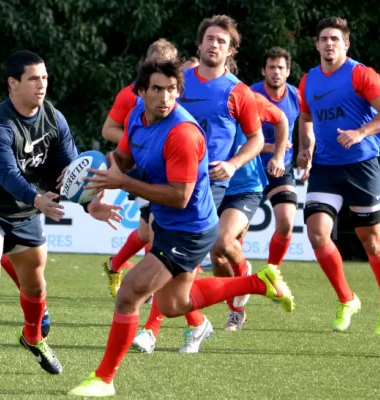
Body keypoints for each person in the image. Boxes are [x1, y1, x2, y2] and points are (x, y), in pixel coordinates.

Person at [67, 58, 293, 398]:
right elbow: (123, 158)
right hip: (170, 222)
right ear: (141, 92)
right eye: (157, 89)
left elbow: (179, 195)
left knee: (129, 293)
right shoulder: (136, 119)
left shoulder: (183, 133)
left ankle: (103, 379)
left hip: (190, 228)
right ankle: (257, 282)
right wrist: (92, 181)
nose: (165, 97)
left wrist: (123, 180)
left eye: (172, 90)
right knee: (175, 304)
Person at [132, 14, 264, 354]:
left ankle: (152, 329)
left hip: (208, 180)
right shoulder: (177, 82)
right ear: (199, 44)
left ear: (231, 49)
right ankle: (207, 314)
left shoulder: (239, 92)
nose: (214, 44)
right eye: (209, 38)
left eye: (222, 40)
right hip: (169, 175)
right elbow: (144, 114)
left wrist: (233, 164)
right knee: (160, 242)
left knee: (176, 247)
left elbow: (256, 139)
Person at [0, 50, 83, 384]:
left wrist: (89, 202)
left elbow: (70, 170)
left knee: (35, 283)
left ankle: (33, 338)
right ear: (13, 84)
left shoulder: (54, 118)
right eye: (33, 78)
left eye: (44, 77)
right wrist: (38, 198)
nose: (41, 85)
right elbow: (8, 176)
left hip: (26, 212)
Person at [296, 16, 380, 334]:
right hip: (325, 167)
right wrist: (304, 150)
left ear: (346, 44)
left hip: (362, 165)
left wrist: (360, 132)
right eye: (324, 38)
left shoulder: (360, 73)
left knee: (370, 240)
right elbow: (306, 117)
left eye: (335, 39)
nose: (329, 43)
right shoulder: (308, 80)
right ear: (317, 44)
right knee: (316, 233)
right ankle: (347, 299)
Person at [101, 39, 178, 299]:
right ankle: (153, 294)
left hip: (170, 170)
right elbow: (108, 130)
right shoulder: (129, 95)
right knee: (154, 232)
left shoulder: (175, 95)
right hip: (145, 169)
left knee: (146, 232)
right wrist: (140, 141)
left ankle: (115, 265)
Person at [213, 90, 289, 332]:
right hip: (211, 185)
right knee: (216, 256)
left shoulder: (246, 97)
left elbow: (281, 119)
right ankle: (237, 312)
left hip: (244, 186)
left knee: (223, 241)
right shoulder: (192, 98)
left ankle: (247, 275)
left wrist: (279, 156)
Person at [251, 47, 301, 268]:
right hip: (249, 168)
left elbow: (308, 127)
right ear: (263, 70)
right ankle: (238, 274)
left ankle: (272, 272)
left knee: (286, 220)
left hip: (281, 168)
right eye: (271, 67)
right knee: (235, 232)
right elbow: (240, 140)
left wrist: (306, 153)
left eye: (281, 67)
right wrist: (271, 146)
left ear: (288, 71)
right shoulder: (250, 96)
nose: (276, 72)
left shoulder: (296, 96)